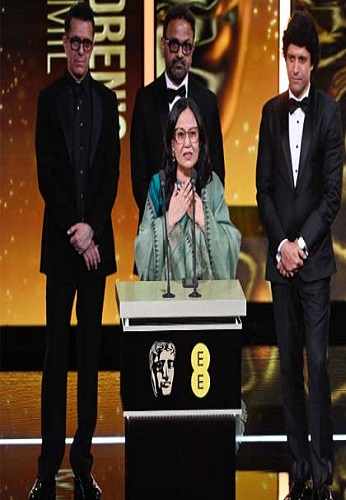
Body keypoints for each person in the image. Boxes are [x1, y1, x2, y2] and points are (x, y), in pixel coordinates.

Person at [30, 3, 119, 499]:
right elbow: (46, 176)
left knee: (89, 356)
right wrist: (75, 231)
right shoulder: (48, 101)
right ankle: (47, 467)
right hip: (65, 250)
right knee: (55, 355)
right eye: (75, 42)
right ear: (65, 44)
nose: (82, 50)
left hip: (95, 250)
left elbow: (111, 175)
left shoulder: (107, 101)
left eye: (88, 43)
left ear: (93, 45)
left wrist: (94, 231)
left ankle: (82, 463)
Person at [255, 10, 342, 500]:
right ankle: (298, 472)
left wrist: (300, 246)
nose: (295, 67)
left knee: (318, 364)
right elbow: (263, 188)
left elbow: (331, 195)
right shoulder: (270, 112)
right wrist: (282, 246)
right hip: (280, 263)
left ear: (314, 63)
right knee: (288, 367)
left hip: (314, 264)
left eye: (303, 60)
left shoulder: (329, 113)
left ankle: (323, 474)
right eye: (290, 58)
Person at [130, 3, 225, 253]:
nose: (180, 53)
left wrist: (196, 217)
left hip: (199, 241)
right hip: (156, 236)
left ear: (193, 50)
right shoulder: (144, 100)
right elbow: (139, 177)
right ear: (163, 45)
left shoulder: (207, 101)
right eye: (174, 44)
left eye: (186, 46)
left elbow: (217, 173)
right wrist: (167, 220)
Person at [135, 98, 240, 281]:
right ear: (172, 145)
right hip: (165, 294)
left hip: (207, 294)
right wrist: (169, 220)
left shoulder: (212, 184)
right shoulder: (159, 184)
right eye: (180, 135)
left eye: (193, 134)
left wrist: (205, 221)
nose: (187, 143)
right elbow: (142, 248)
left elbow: (231, 243)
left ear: (200, 141)